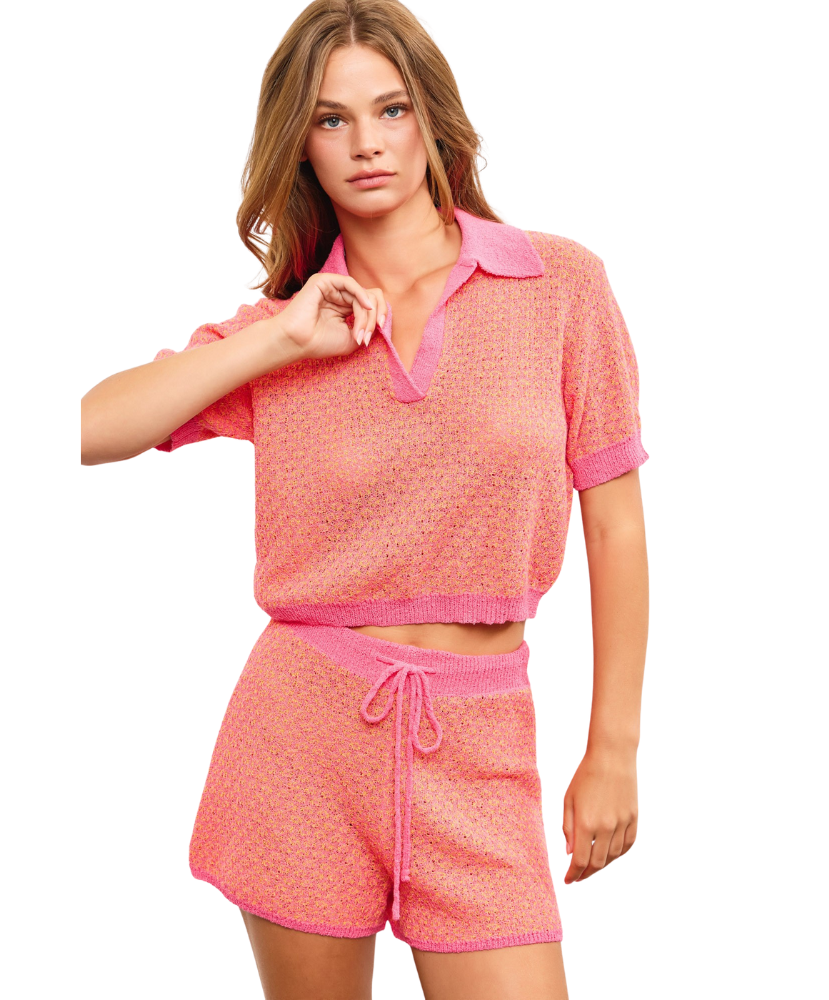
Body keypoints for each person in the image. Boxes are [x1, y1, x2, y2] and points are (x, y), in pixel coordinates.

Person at [79, 2, 651, 997]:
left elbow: (615, 523)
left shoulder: (559, 283)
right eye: (330, 119)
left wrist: (613, 751)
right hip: (300, 737)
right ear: (299, 144)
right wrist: (277, 337)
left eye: (390, 109)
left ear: (432, 117)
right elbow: (91, 429)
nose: (366, 144)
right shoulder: (292, 324)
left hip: (481, 739)